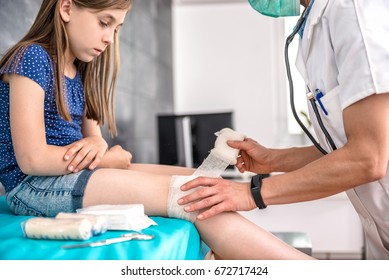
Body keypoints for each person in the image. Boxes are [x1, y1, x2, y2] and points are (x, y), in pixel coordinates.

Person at [0, 0, 314, 260]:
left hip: (69, 175)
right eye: (104, 22)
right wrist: (105, 159)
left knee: (200, 182)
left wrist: (97, 146)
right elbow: (32, 160)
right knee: (194, 198)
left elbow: (92, 136)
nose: (110, 38)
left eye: (117, 28)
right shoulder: (31, 58)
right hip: (33, 187)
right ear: (66, 8)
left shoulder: (80, 70)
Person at [177, 0, 389, 260]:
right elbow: (344, 148)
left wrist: (251, 193)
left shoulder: (355, 10)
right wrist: (272, 160)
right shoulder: (319, 23)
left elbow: (368, 157)